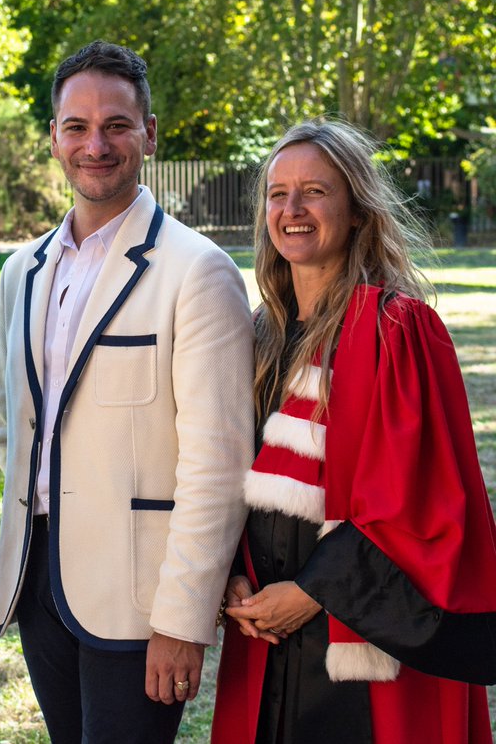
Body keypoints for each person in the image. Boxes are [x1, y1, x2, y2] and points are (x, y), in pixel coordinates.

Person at [0, 40, 255, 743]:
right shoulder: (24, 270)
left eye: (116, 125)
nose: (95, 144)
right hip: (40, 580)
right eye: (76, 126)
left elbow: (219, 463)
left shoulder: (198, 270)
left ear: (150, 133)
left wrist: (183, 616)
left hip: (142, 597)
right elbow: (10, 422)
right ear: (53, 137)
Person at [211, 119, 496, 744]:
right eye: (277, 193)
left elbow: (421, 496)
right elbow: (224, 468)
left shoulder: (398, 330)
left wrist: (312, 592)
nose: (292, 209)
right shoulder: (256, 333)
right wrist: (229, 572)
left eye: (315, 191)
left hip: (364, 633)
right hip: (264, 628)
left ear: (359, 210)